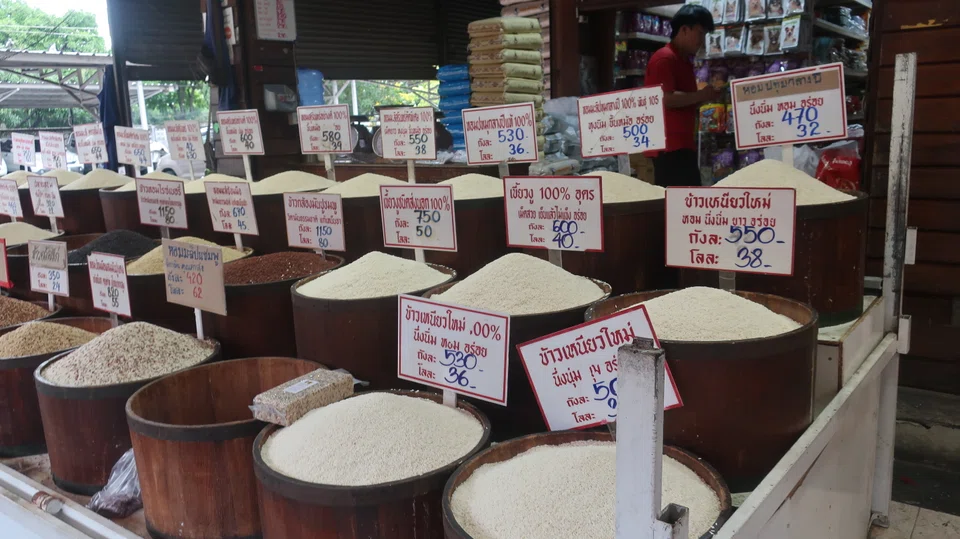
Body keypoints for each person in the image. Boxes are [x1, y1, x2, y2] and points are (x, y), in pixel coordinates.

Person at [644, 4, 719, 187]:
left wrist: (703, 98)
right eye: (700, 33)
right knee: (679, 204)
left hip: (683, 145)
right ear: (684, 29)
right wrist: (700, 95)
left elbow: (683, 101)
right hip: (669, 148)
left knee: (688, 202)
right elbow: (666, 98)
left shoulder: (683, 61)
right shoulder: (665, 58)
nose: (702, 40)